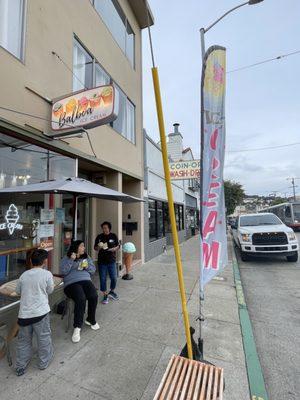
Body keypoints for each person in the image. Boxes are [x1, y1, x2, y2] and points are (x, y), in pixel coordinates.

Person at [12, 249, 54, 376]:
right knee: (43, 338)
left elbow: (18, 291)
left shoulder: (23, 275)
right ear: (45, 261)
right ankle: (43, 363)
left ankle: (20, 366)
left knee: (23, 341)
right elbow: (50, 290)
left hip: (24, 315)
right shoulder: (47, 274)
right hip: (41, 313)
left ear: (31, 261)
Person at [60, 240, 99, 343]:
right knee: (81, 298)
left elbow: (93, 270)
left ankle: (90, 319)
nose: (84, 248)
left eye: (84, 246)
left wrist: (87, 267)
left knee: (93, 295)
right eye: (82, 246)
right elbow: (63, 271)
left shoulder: (86, 257)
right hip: (71, 283)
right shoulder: (67, 257)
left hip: (85, 280)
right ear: (76, 247)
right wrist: (71, 260)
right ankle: (77, 327)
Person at [94, 221, 120, 304]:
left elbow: (118, 246)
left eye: (106, 228)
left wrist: (114, 249)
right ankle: (105, 294)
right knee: (103, 278)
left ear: (109, 228)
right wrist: (99, 246)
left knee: (114, 277)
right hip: (102, 261)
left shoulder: (113, 236)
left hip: (111, 260)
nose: (104, 229)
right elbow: (95, 248)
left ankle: (112, 291)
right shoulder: (99, 237)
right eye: (103, 228)